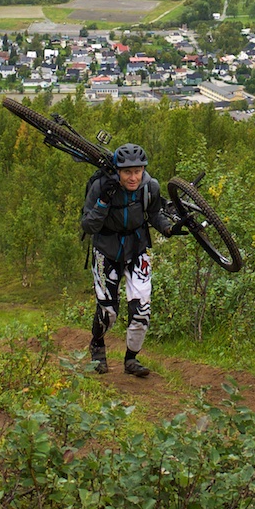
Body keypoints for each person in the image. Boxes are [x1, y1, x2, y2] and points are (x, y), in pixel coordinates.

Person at [80, 142, 180, 378]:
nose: (133, 177)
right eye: (127, 172)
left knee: (141, 308)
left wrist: (167, 229)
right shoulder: (101, 186)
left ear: (143, 169)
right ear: (118, 170)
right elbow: (88, 225)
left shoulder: (150, 187)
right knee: (108, 310)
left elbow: (154, 214)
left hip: (136, 248)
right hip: (106, 249)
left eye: (138, 171)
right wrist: (104, 201)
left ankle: (131, 359)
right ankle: (97, 348)